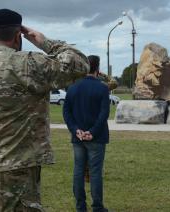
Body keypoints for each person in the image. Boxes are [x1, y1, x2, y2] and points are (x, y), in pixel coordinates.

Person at [0, 8, 89, 211]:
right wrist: (45, 42)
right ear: (17, 36)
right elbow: (79, 65)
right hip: (16, 171)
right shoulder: (26, 64)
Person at [63, 55, 110, 212]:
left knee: (78, 171)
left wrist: (75, 130)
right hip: (96, 137)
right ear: (98, 68)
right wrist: (92, 132)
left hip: (78, 137)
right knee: (95, 173)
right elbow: (104, 114)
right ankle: (97, 207)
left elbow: (66, 112)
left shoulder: (73, 87)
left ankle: (80, 207)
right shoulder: (103, 88)